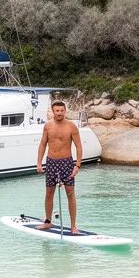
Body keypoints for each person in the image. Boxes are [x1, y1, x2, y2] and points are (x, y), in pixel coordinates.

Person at [35, 100, 83, 234]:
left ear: (65, 111)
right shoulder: (48, 126)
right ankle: (48, 222)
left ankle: (73, 226)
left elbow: (78, 146)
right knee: (49, 192)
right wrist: (39, 162)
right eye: (57, 111)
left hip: (67, 162)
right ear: (53, 111)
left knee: (70, 192)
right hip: (51, 162)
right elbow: (43, 144)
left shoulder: (71, 127)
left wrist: (77, 165)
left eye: (62, 110)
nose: (60, 113)